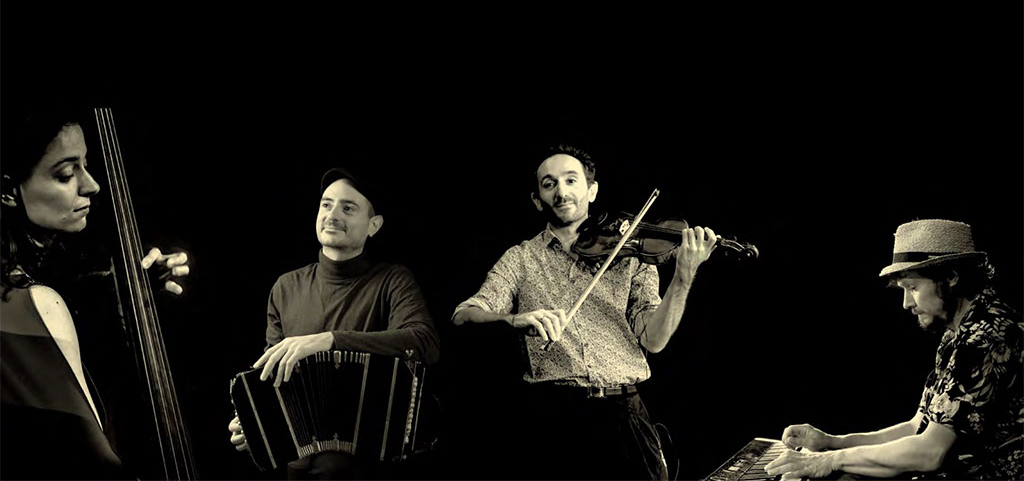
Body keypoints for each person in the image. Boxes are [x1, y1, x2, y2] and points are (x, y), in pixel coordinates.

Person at [451, 144, 720, 481]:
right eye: (549, 184)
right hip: (553, 417)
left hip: (625, 414)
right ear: (537, 200)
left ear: (591, 190)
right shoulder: (521, 258)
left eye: (571, 180)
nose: (561, 192)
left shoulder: (630, 252)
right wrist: (514, 319)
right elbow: (464, 315)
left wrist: (683, 276)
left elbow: (653, 340)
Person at [1, 105, 191, 480]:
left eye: (85, 165)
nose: (92, 185)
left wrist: (122, 294)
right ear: (7, 190)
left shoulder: (39, 284)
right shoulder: (34, 302)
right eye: (66, 174)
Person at [766, 219, 1023, 480]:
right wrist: (832, 443)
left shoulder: (987, 335)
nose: (906, 303)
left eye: (912, 288)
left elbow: (929, 452)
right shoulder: (957, 333)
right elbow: (916, 429)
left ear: (951, 276)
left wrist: (827, 460)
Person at [228, 166, 440, 480]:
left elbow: (424, 343)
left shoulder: (392, 280)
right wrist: (254, 423)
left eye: (348, 208)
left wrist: (330, 340)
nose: (332, 214)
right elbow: (272, 380)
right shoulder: (286, 287)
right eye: (326, 204)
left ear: (373, 225)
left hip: (368, 466)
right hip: (298, 468)